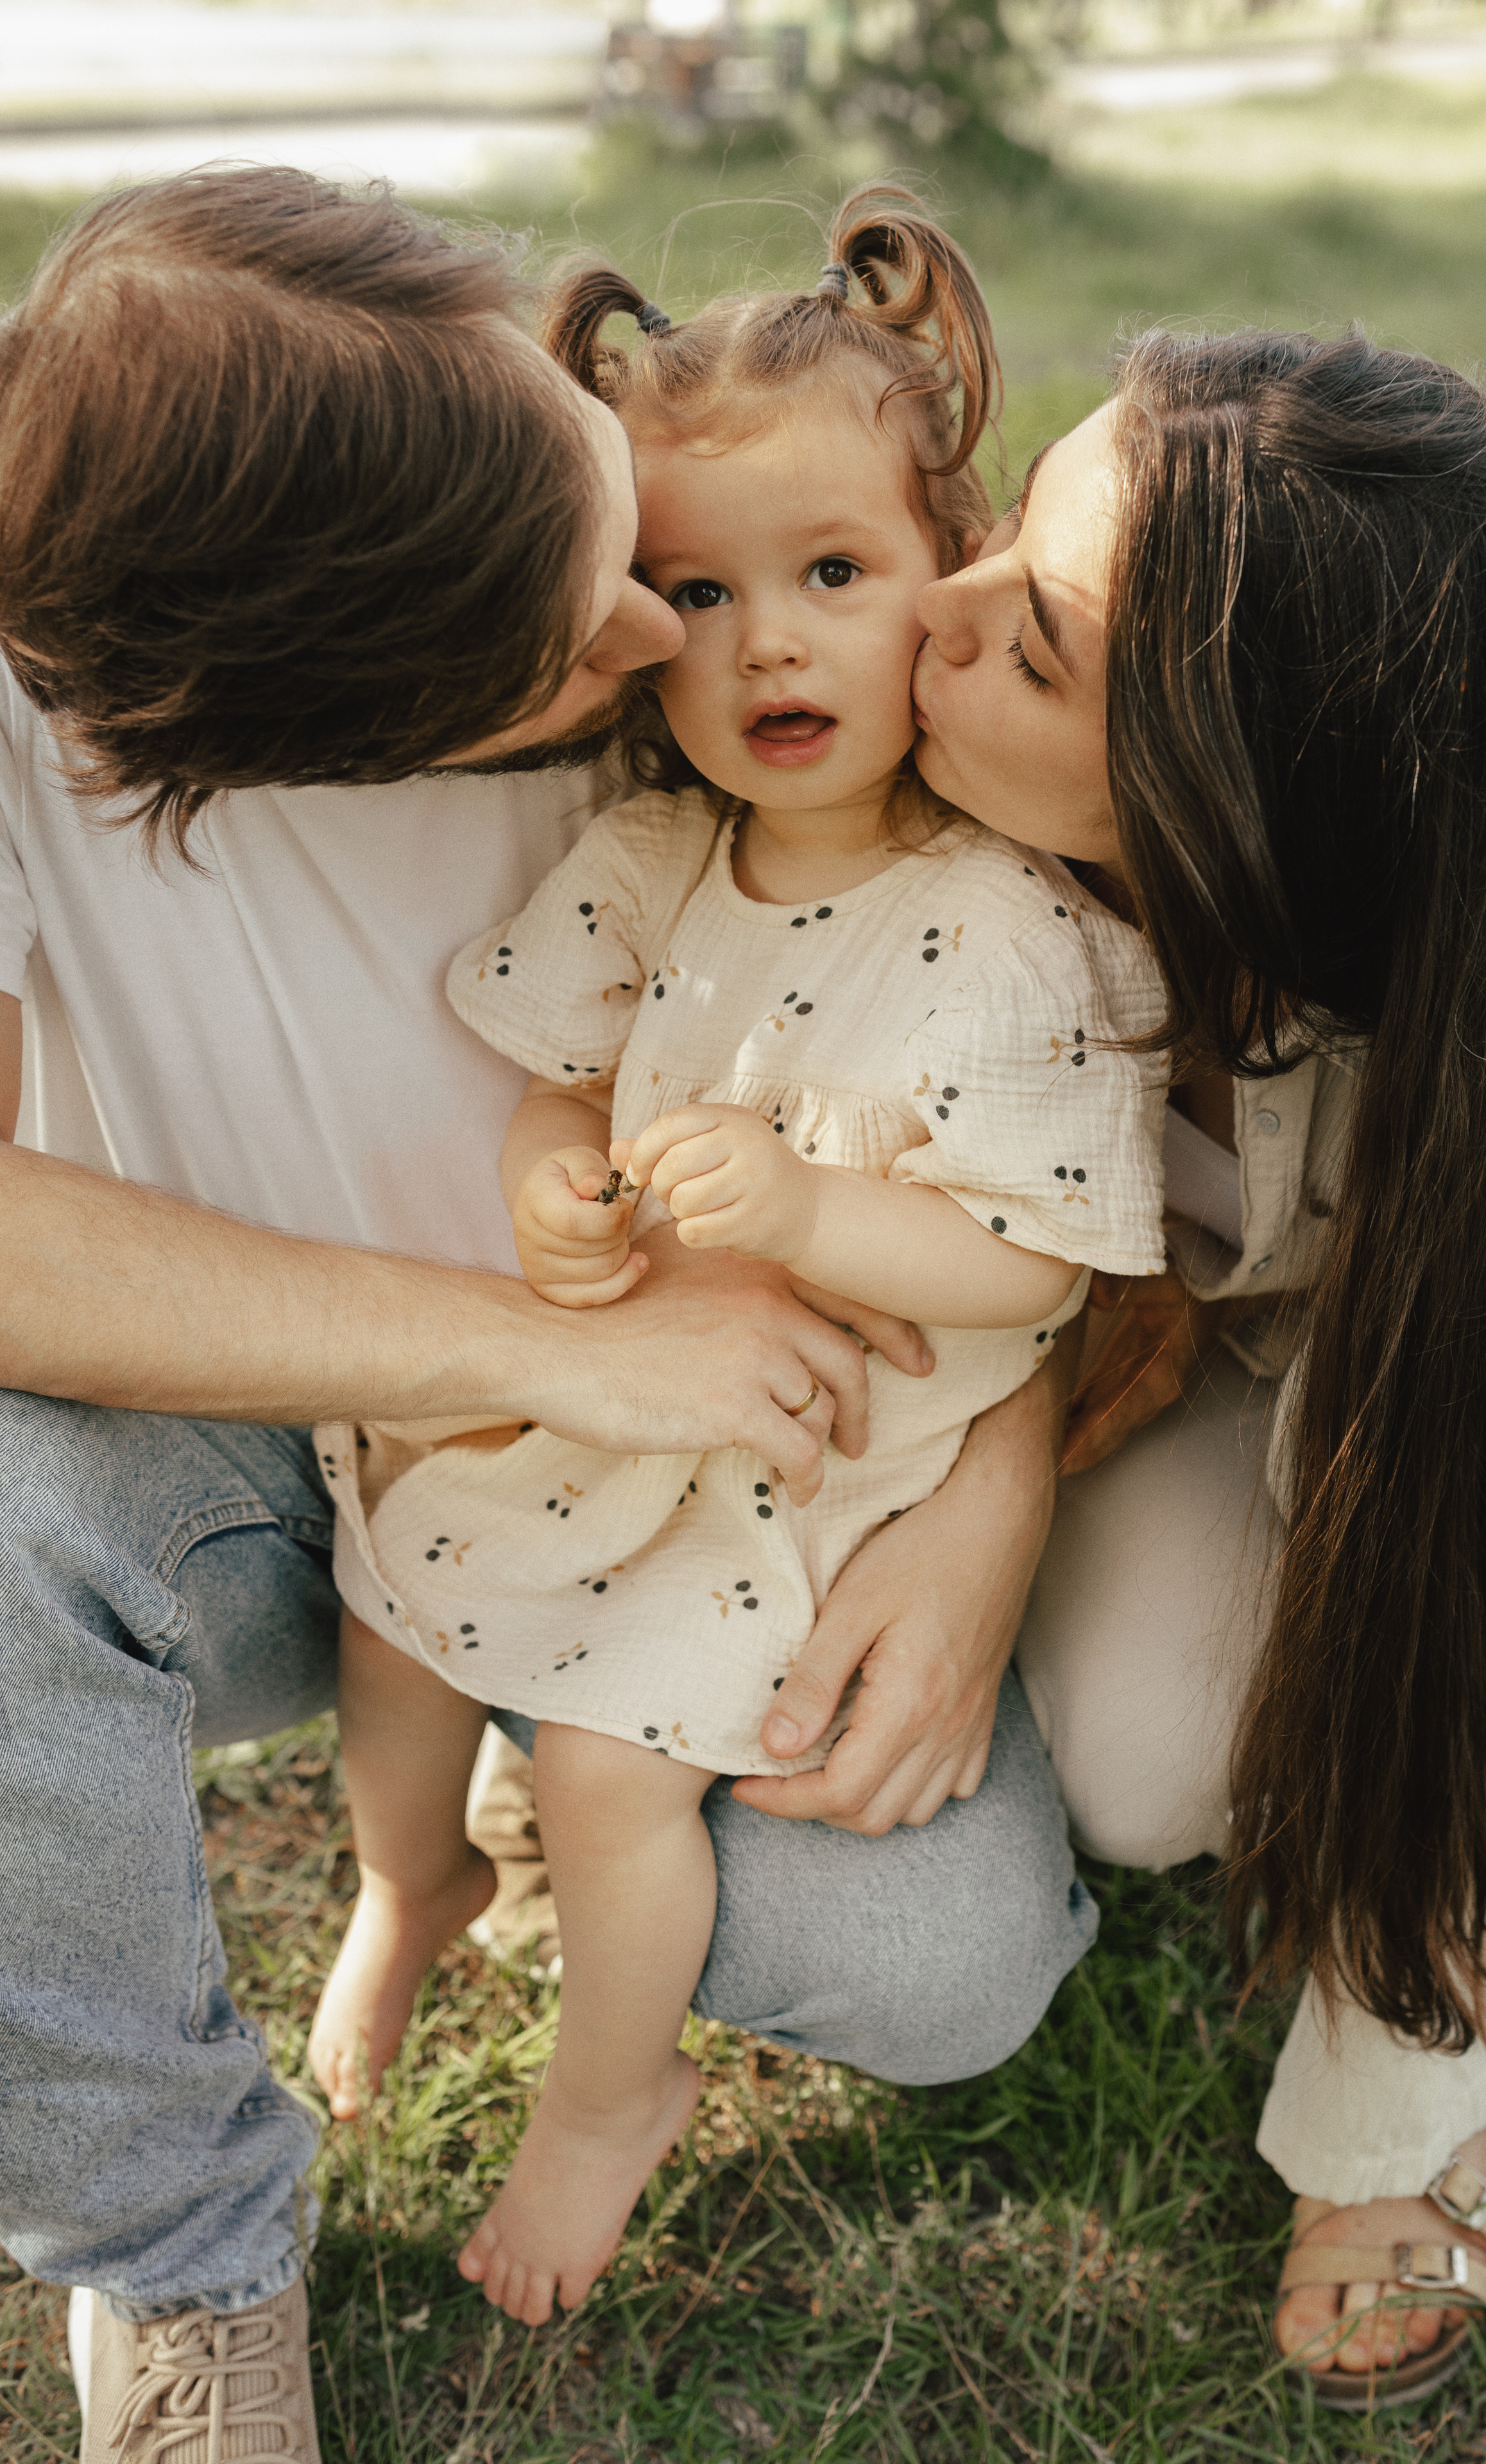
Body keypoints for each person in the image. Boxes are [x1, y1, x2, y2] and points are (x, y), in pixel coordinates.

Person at [0, 169, 1100, 2464]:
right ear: (321, 719)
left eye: (620, 532)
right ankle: (183, 2267)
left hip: (766, 1442)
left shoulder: (724, 616)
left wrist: (989, 1489)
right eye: (601, 608)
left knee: (946, 1967)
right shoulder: (97, 708)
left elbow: (1038, 1140)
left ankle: (558, 1810)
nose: (659, 628)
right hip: (276, 1453)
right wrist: (547, 1345)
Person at [303, 191, 1170, 2327]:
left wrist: (799, 1218)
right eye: (699, 591)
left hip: (806, 1461)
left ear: (943, 585)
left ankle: (611, 2098)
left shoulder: (1014, 926)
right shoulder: (656, 857)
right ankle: (407, 1879)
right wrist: (548, 1190)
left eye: (834, 576)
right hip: (616, 1386)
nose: (767, 640)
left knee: (610, 1775)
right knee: (390, 1596)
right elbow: (548, 1071)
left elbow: (1027, 1276)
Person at [905, 325, 1486, 2408]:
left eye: (1034, 647)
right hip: (1257, 1370)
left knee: (1423, 1552)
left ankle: (1426, 2093)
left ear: (1244, 809)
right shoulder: (966, 818)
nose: (941, 611)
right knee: (1143, 1768)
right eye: (1011, 528)